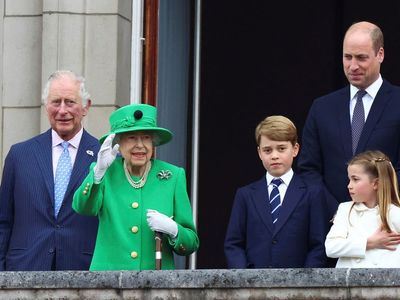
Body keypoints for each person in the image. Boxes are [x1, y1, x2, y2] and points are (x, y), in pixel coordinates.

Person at [72, 103, 199, 270]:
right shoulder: (105, 172)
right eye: (132, 137)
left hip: (156, 285)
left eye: (146, 137)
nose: (140, 145)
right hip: (109, 282)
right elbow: (83, 208)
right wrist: (98, 172)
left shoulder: (173, 176)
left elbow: (191, 243)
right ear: (118, 142)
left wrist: (174, 229)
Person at [0, 70, 99, 270]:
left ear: (85, 107)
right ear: (46, 106)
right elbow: (3, 221)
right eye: (56, 102)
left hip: (84, 272)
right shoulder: (20, 155)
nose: (62, 110)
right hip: (24, 270)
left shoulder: (104, 157)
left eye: (70, 102)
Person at [298, 21, 400, 214]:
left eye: (361, 58)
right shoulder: (322, 108)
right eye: (347, 57)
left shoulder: (397, 103)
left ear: (380, 54)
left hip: (387, 223)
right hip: (331, 224)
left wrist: (375, 209)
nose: (353, 66)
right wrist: (340, 212)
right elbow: (309, 169)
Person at [224, 115, 329, 268]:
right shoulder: (245, 195)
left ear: (295, 149)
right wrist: (244, 278)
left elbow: (318, 245)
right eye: (267, 150)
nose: (274, 156)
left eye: (281, 149)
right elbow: (233, 244)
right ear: (259, 153)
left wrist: (306, 283)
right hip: (252, 285)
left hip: (298, 285)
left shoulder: (312, 193)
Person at [325, 150, 400, 267]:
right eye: (349, 179)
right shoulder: (345, 209)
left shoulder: (394, 213)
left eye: (355, 179)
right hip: (348, 283)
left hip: (385, 283)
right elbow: (331, 248)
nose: (349, 185)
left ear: (375, 183)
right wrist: (370, 243)